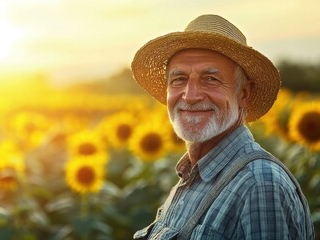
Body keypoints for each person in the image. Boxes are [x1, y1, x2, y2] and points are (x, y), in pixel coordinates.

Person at [131, 14, 315, 239]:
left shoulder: (260, 185)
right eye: (178, 79)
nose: (190, 96)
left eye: (211, 79)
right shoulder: (193, 173)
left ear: (243, 94)